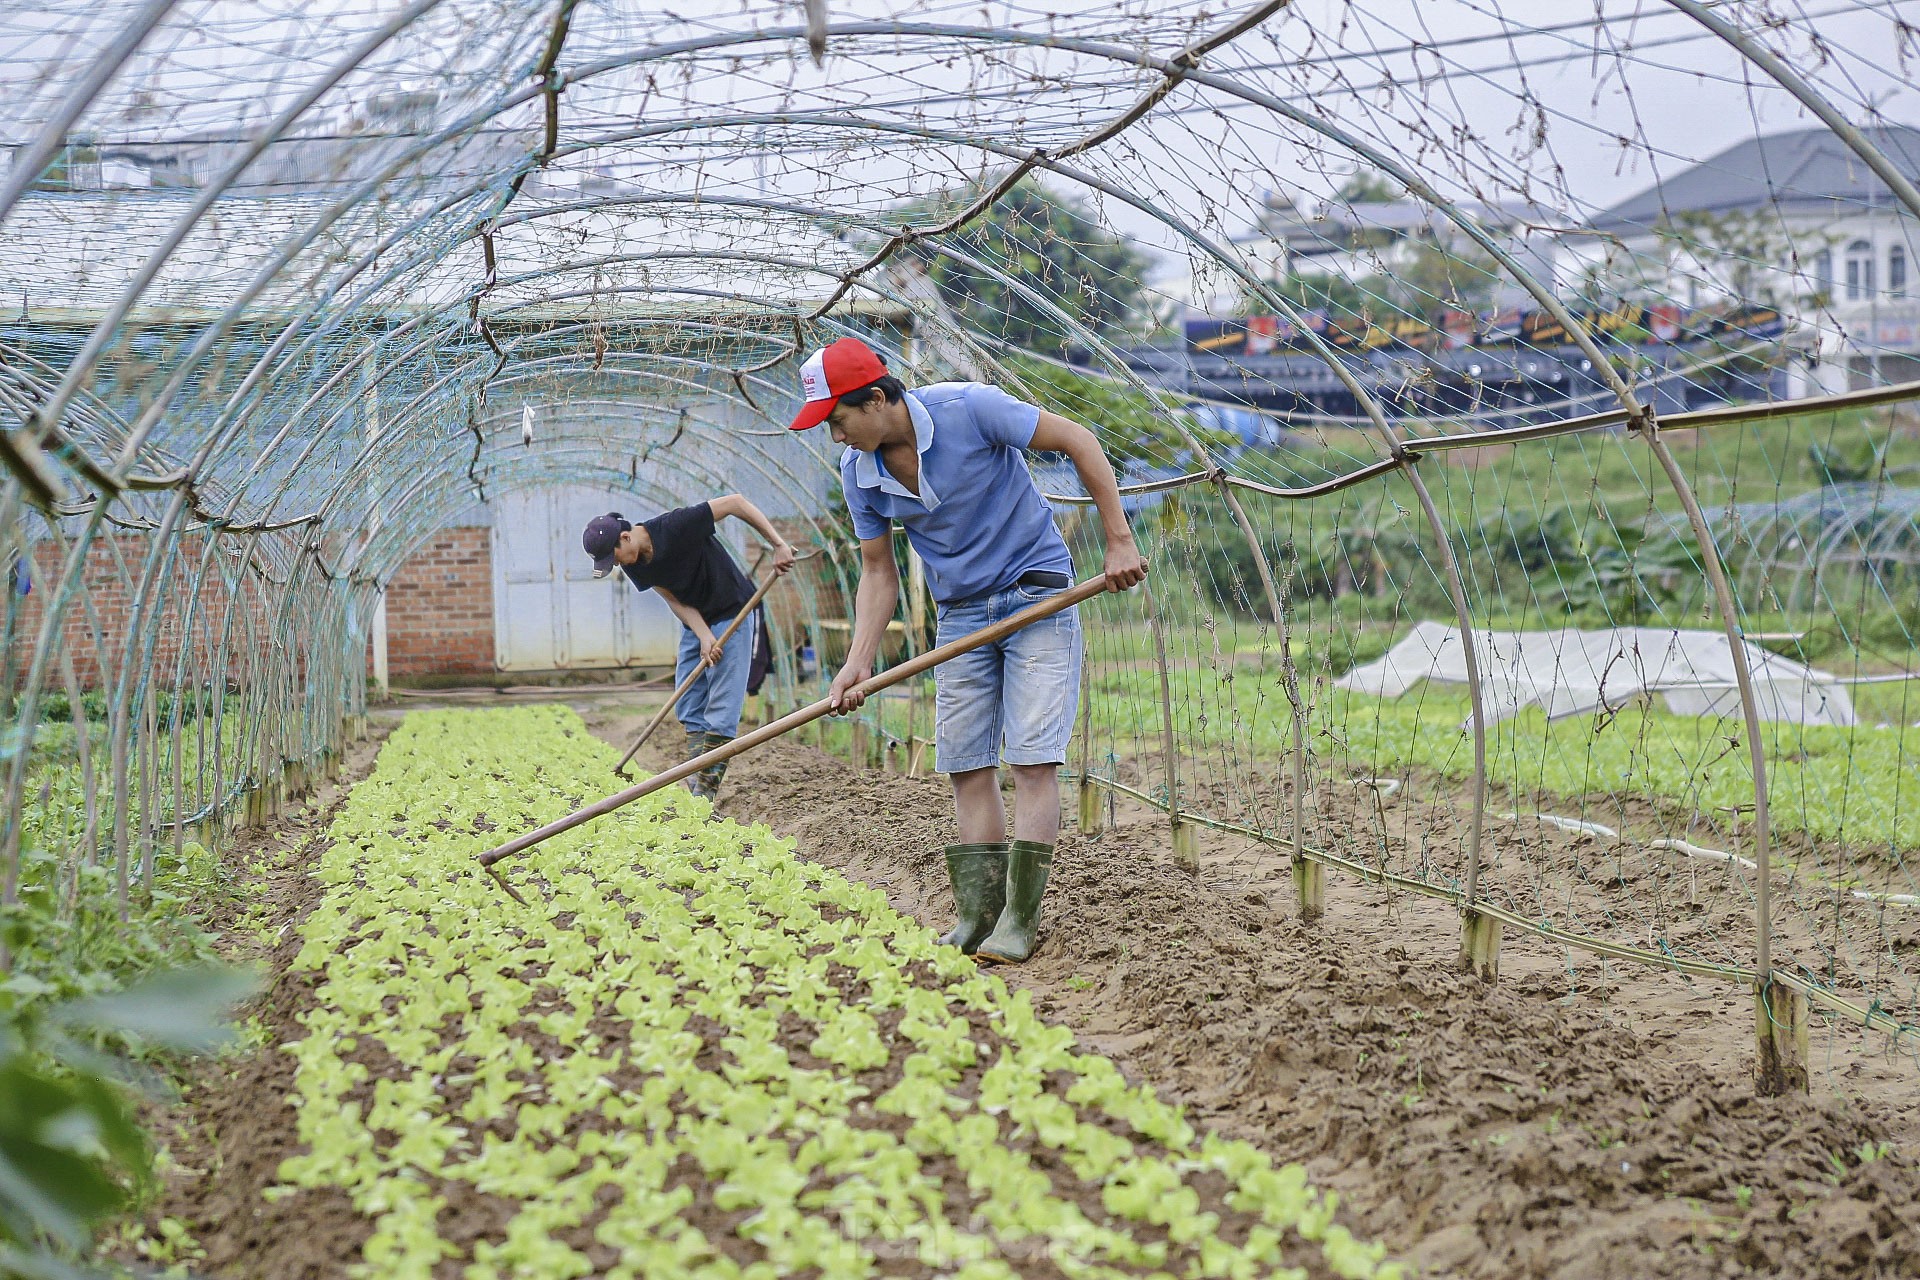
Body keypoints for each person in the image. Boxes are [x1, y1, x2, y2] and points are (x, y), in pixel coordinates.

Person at [789, 337, 1146, 964]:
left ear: (875, 401)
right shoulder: (859, 475)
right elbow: (878, 572)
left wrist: (1118, 540)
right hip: (960, 617)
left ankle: (1019, 918)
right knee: (965, 763)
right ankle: (976, 916)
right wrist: (858, 660)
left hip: (1038, 598)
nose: (836, 437)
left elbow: (1079, 441)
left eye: (838, 421)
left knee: (1033, 759)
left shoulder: (970, 409)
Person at [582, 496, 796, 798]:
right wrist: (704, 635)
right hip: (696, 620)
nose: (615, 564)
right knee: (688, 701)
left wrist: (778, 544)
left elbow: (736, 503)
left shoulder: (676, 526)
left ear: (625, 537)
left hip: (733, 609)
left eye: (613, 557)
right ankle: (698, 778)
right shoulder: (634, 564)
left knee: (722, 706)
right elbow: (673, 598)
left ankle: (704, 795)